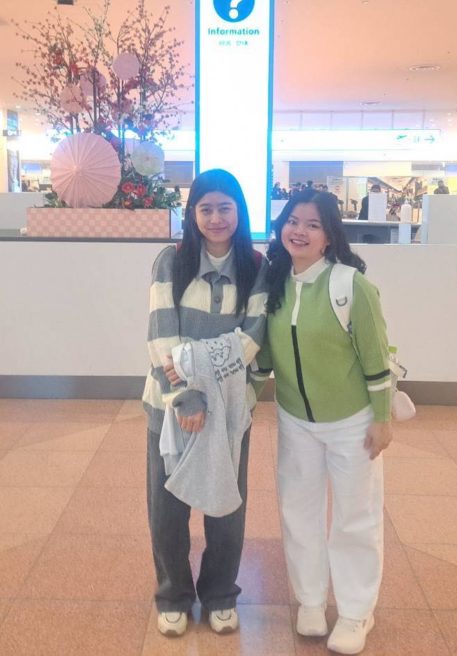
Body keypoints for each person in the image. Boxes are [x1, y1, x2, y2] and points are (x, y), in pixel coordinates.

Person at [256, 190, 392, 655]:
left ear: (330, 235)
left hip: (352, 422)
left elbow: (376, 357)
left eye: (313, 224)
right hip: (295, 420)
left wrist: (382, 417)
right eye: (293, 221)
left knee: (356, 517)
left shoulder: (351, 285)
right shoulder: (274, 283)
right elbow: (264, 356)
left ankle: (356, 611)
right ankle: (310, 601)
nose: (299, 231)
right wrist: (244, 402)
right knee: (299, 513)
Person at [143, 168, 268, 638]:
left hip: (231, 407)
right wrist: (187, 395)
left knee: (226, 505)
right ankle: (173, 594)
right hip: (169, 404)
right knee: (167, 504)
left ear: (240, 212)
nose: (216, 218)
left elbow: (253, 338)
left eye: (225, 208)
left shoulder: (256, 265)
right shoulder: (171, 262)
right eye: (206, 208)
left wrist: (204, 375)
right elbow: (161, 334)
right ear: (192, 213)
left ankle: (219, 594)